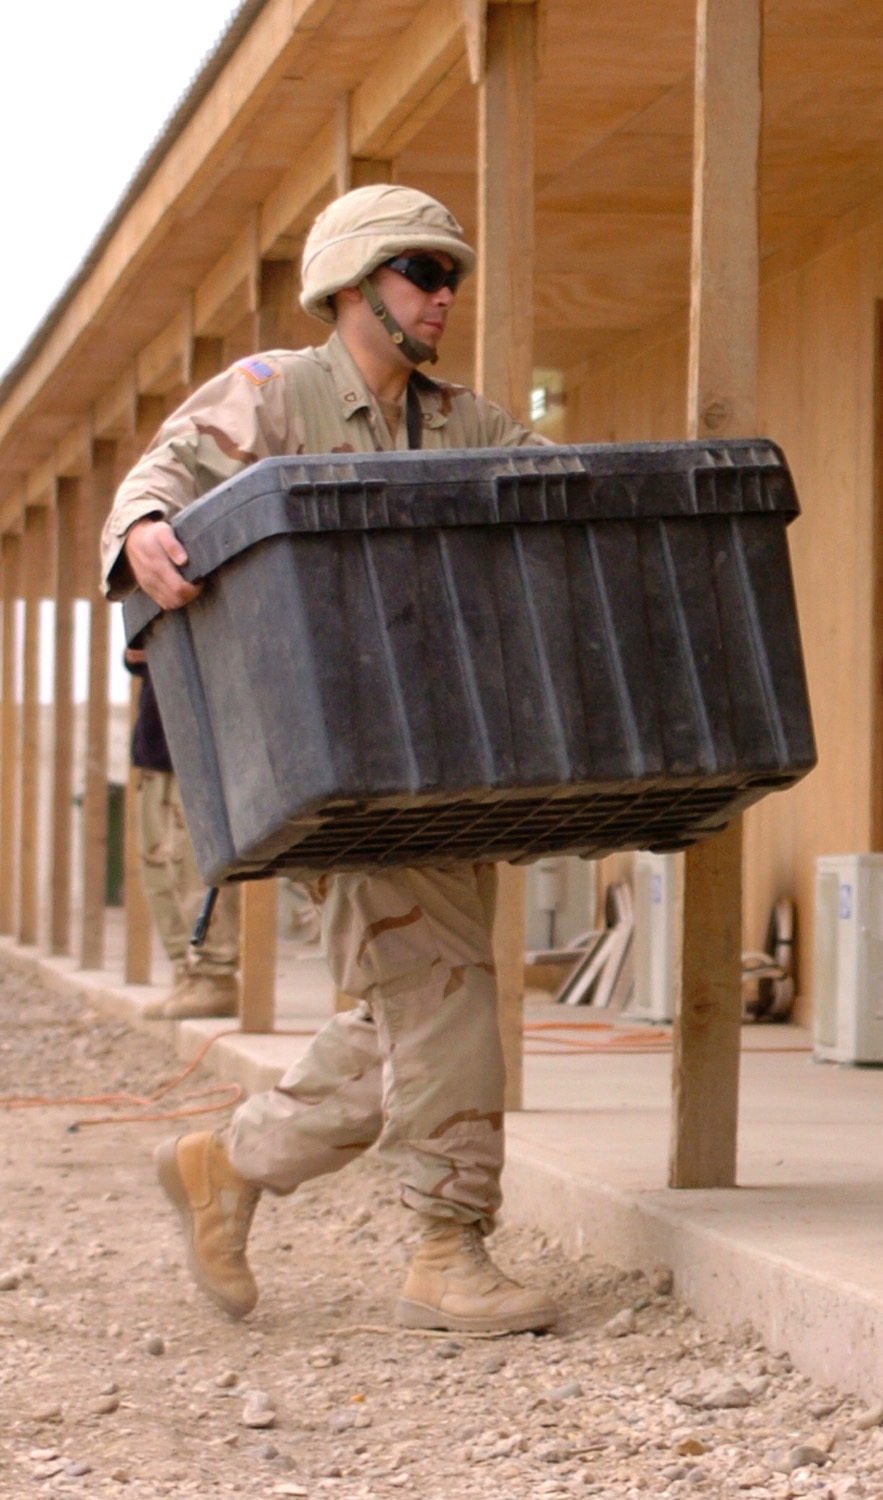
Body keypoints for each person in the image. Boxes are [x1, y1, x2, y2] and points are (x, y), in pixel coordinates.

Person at [100, 183, 558, 1334]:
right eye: (421, 272)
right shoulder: (274, 393)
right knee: (447, 990)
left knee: (402, 1012)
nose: (444, 294)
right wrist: (144, 536)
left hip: (447, 765)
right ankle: (446, 1248)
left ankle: (227, 1166)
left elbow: (562, 502)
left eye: (452, 275)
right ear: (352, 287)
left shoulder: (471, 422)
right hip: (337, 778)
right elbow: (155, 485)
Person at [124, 647, 242, 1019]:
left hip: (199, 743)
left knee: (193, 869)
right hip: (158, 743)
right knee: (160, 875)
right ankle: (188, 972)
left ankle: (214, 978)